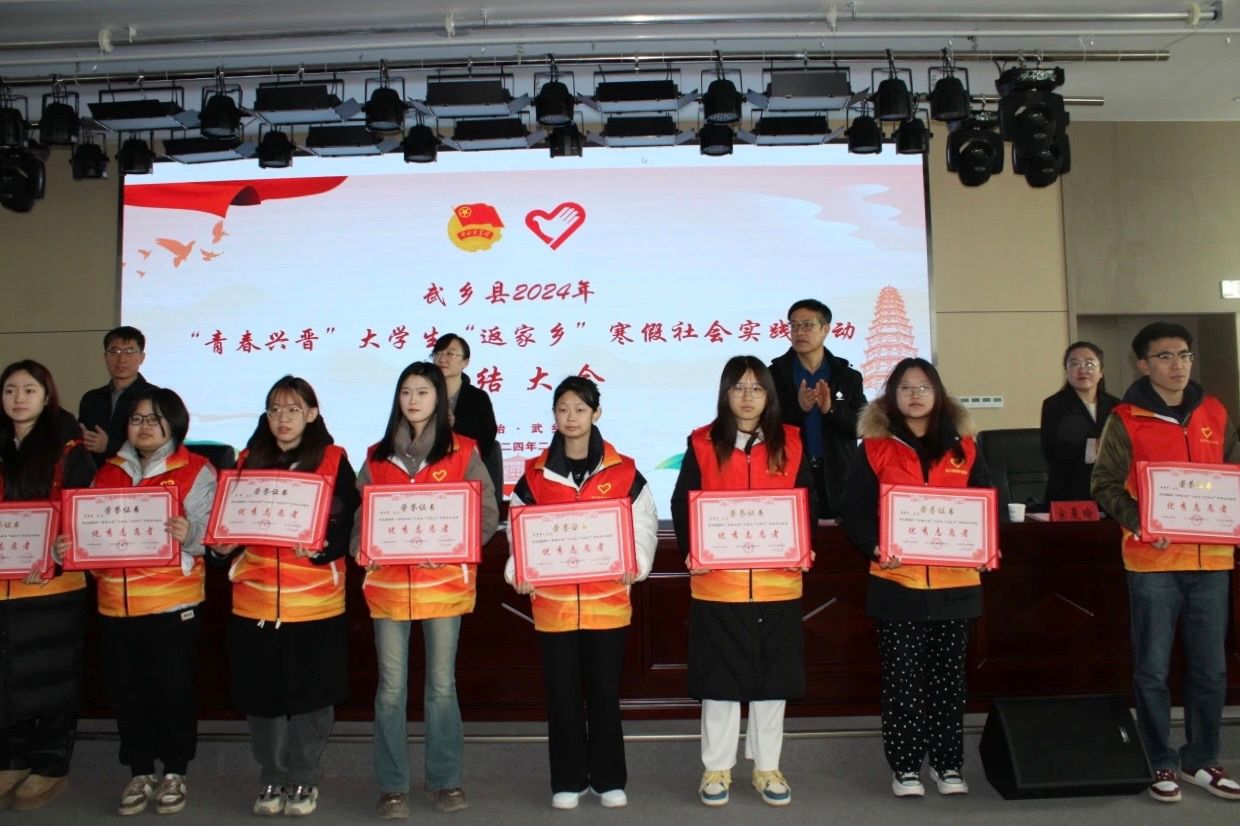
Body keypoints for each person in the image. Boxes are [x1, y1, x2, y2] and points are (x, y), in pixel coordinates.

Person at [1091, 322, 1240, 804]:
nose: (1178, 365)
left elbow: (1233, 473)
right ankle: (1159, 760)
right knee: (1153, 669)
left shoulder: (1214, 411)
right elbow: (1104, 484)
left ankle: (1201, 759)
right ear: (1143, 364)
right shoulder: (1125, 419)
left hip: (1211, 560)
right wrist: (1141, 522)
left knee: (1211, 669)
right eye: (1165, 356)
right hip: (1152, 561)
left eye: (1184, 355)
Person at [839, 357, 994, 799]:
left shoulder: (965, 447)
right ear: (893, 395)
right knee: (903, 681)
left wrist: (986, 546)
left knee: (949, 682)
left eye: (924, 387)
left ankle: (948, 764)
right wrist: (875, 547)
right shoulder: (875, 447)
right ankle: (906, 766)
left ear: (938, 393)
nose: (915, 395)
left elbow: (986, 501)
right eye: (905, 387)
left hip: (954, 585)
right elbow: (854, 509)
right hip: (897, 583)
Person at [351, 362, 498, 819]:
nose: (413, 400)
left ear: (439, 398)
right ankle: (392, 787)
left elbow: (487, 513)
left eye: (422, 392)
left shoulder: (463, 452)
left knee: (440, 687)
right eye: (406, 392)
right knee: (390, 690)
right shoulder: (377, 457)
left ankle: (445, 780)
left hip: (443, 586)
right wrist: (362, 548)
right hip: (389, 588)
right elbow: (359, 518)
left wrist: (456, 547)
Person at [60, 388, 217, 816]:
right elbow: (91, 537)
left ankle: (176, 771)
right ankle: (140, 771)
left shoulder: (196, 469)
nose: (144, 427)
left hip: (172, 605)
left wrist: (191, 535)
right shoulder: (106, 472)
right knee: (127, 693)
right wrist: (70, 550)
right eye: (136, 419)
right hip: (116, 605)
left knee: (173, 692)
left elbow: (213, 537)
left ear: (174, 423)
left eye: (154, 419)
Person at [505, 376, 658, 810]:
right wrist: (519, 569)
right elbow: (518, 532)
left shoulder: (624, 472)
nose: (571, 418)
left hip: (607, 604)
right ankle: (568, 779)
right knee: (562, 694)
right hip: (553, 607)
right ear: (553, 416)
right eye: (562, 409)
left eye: (579, 409)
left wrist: (636, 562)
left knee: (605, 694)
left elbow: (644, 524)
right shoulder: (534, 476)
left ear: (596, 413)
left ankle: (609, 778)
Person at [670, 356, 815, 808]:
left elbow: (807, 503)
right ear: (725, 393)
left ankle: (767, 766)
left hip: (777, 585)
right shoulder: (702, 442)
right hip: (719, 584)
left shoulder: (791, 441)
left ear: (769, 395)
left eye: (756, 388)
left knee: (774, 680)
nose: (747, 397)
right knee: (720, 681)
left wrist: (804, 544)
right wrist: (692, 549)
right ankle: (716, 767)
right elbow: (682, 505)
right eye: (738, 388)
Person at [212, 376, 360, 817]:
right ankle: (271, 774)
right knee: (261, 698)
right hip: (254, 601)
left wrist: (323, 547)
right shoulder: (247, 461)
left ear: (312, 414)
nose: (283, 418)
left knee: (313, 698)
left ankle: (303, 777)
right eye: (275, 409)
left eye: (293, 409)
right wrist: (220, 547)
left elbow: (348, 523)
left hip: (315, 602)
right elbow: (226, 529)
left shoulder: (334, 460)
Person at [0, 360, 95, 811]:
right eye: (10, 390)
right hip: (3, 586)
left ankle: (50, 764)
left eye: (29, 390)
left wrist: (56, 552)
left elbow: (84, 514)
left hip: (54, 586)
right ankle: (11, 759)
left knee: (52, 675)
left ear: (46, 396)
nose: (19, 398)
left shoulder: (68, 449)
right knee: (7, 675)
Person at [769, 299, 865, 519]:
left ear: (825, 329)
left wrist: (831, 410)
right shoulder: (774, 375)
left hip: (838, 474)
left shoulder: (847, 376)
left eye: (807, 325)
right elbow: (765, 427)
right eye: (794, 326)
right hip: (790, 472)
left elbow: (862, 427)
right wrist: (798, 409)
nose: (799, 332)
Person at [1040, 341, 1119, 504]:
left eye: (1089, 363)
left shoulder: (1116, 405)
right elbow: (1055, 451)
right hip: (1069, 491)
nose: (1082, 370)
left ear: (1101, 371)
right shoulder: (1054, 405)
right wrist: (1102, 448)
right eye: (1074, 363)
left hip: (1110, 493)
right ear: (1066, 371)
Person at [430, 334, 501, 508]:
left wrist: (456, 425)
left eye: (450, 353)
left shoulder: (478, 398)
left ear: (465, 362)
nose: (442, 358)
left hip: (465, 477)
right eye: (438, 353)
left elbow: (487, 440)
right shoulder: (423, 394)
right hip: (427, 477)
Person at [78, 326, 154, 467]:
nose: (121, 359)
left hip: (140, 476)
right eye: (114, 351)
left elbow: (160, 447)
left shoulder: (155, 397)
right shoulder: (91, 398)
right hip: (96, 476)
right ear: (105, 357)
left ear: (142, 357)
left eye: (129, 351)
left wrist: (109, 446)